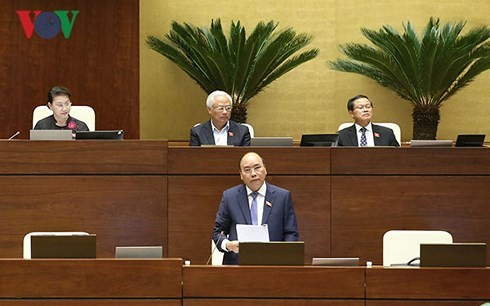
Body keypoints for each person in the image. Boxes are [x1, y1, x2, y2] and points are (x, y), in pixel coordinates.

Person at [212, 152, 299, 265]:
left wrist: (282, 258)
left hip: (273, 265)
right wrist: (228, 245)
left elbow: (291, 234)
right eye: (247, 170)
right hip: (237, 265)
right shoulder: (230, 197)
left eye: (257, 168)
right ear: (241, 175)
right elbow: (218, 232)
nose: (253, 173)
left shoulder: (282, 197)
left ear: (265, 170)